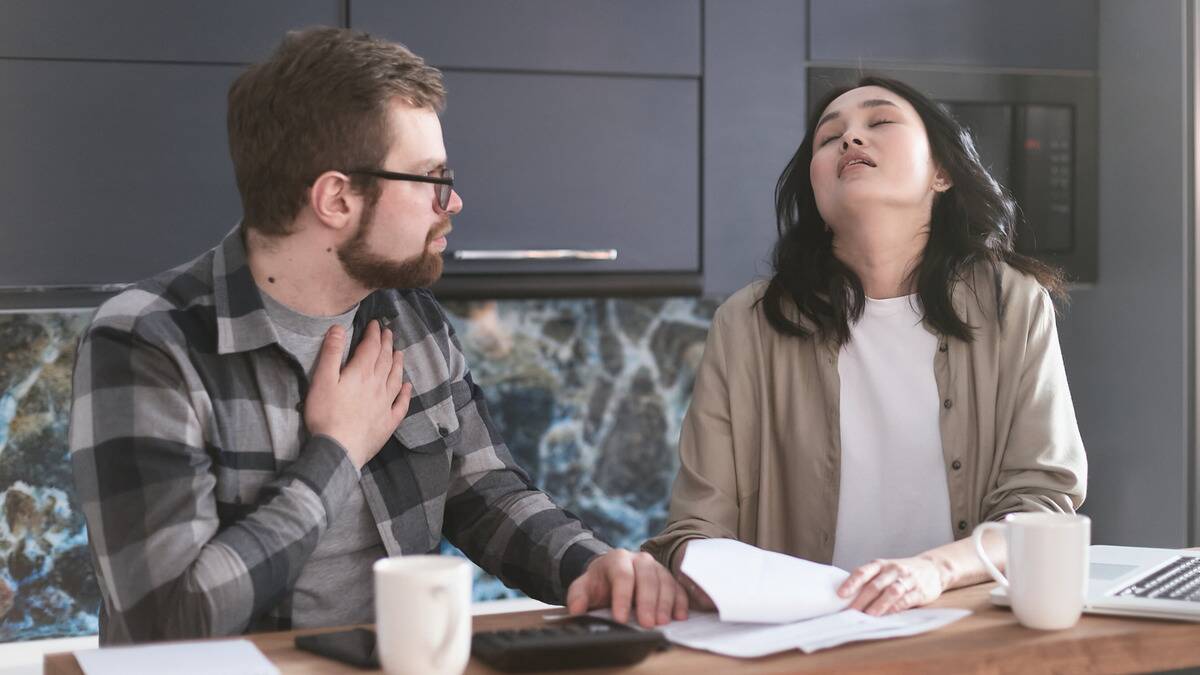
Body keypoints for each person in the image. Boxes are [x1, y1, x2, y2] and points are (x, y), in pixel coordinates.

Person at [69, 27, 685, 645]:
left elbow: (484, 489)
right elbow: (168, 619)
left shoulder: (409, 316)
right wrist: (336, 453)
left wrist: (590, 563)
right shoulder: (146, 341)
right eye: (431, 179)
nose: (455, 202)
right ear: (337, 198)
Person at [643, 76, 1087, 616]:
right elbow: (696, 529)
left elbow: (1041, 499)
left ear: (942, 172)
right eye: (829, 138)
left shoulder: (1010, 301)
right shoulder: (747, 323)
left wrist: (934, 571)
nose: (850, 140)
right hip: (798, 640)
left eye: (879, 123)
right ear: (815, 187)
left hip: (962, 628)